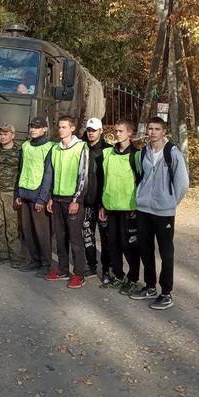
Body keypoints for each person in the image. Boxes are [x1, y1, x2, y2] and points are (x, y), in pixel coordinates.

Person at [130, 117, 189, 310]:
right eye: (150, 128)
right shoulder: (143, 152)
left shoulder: (173, 153)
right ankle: (149, 286)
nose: (153, 132)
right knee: (145, 250)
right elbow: (141, 177)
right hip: (143, 209)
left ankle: (166, 293)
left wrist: (170, 202)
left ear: (164, 132)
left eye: (157, 129)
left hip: (164, 212)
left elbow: (182, 183)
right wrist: (140, 198)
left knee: (166, 252)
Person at [45, 116, 89, 289]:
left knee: (75, 239)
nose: (61, 129)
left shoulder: (81, 147)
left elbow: (83, 175)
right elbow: (51, 174)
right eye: (59, 126)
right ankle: (63, 270)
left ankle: (79, 273)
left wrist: (77, 199)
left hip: (72, 200)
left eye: (64, 127)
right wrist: (50, 197)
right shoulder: (55, 149)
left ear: (72, 128)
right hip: (57, 199)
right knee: (60, 238)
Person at [98, 120, 141, 293]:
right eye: (116, 131)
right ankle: (117, 275)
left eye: (121, 131)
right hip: (110, 206)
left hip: (129, 208)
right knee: (112, 244)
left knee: (128, 245)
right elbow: (103, 181)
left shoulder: (136, 155)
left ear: (130, 133)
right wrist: (102, 205)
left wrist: (136, 207)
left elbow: (141, 181)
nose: (117, 134)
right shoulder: (108, 153)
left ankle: (133, 278)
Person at [13, 117, 54, 275]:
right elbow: (21, 170)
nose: (33, 130)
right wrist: (18, 193)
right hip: (25, 194)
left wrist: (42, 198)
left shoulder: (50, 147)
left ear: (44, 129)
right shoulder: (25, 146)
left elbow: (48, 175)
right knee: (28, 232)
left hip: (38, 197)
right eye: (31, 127)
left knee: (42, 233)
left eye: (37, 127)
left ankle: (46, 263)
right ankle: (34, 260)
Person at [0, 122, 23, 266]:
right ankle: (1, 254)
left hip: (11, 192)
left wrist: (20, 193)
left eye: (6, 134)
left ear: (13, 135)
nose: (2, 137)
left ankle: (15, 257)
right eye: (1, 134)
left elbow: (24, 172)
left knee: (12, 225)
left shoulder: (20, 150)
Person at [81, 117, 110, 279]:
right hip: (86, 202)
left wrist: (105, 203)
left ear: (101, 131)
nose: (91, 133)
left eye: (94, 130)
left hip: (103, 203)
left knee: (106, 238)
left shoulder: (108, 150)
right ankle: (91, 265)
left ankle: (107, 269)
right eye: (89, 130)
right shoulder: (81, 147)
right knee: (87, 236)